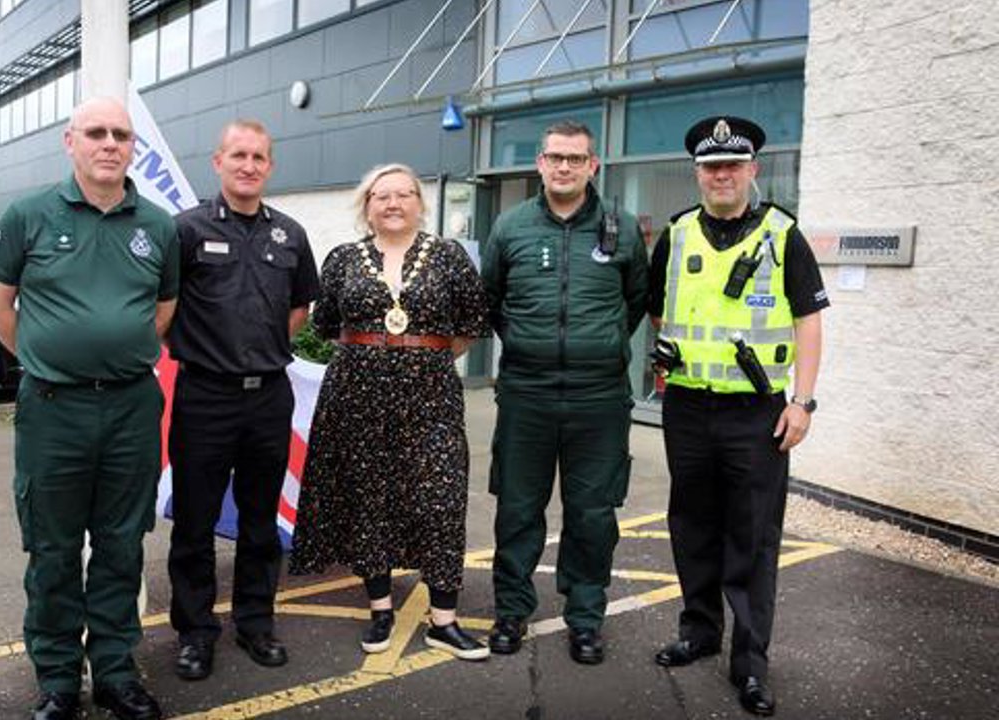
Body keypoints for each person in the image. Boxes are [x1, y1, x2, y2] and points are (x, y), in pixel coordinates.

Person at [0, 97, 178, 720]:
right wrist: (50, 359)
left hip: (131, 410)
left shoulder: (158, 225)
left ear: (132, 148)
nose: (110, 143)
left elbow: (163, 311)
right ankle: (58, 680)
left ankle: (116, 673)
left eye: (121, 134)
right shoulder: (27, 215)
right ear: (71, 141)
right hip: (53, 411)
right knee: (54, 550)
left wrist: (114, 349)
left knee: (122, 546)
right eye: (96, 132)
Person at [647, 115, 829, 717]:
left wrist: (801, 402)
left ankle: (750, 664)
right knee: (692, 526)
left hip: (758, 412)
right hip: (689, 408)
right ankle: (699, 633)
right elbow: (659, 310)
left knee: (751, 537)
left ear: (752, 170)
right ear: (698, 173)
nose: (721, 175)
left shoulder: (782, 234)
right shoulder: (675, 236)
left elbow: (808, 319)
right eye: (710, 166)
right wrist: (665, 363)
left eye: (732, 165)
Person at [289, 164, 492, 661]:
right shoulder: (343, 259)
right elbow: (330, 325)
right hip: (356, 397)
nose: (394, 203)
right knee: (369, 500)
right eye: (382, 196)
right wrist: (375, 355)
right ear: (367, 204)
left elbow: (470, 325)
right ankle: (380, 608)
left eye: (404, 194)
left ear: (421, 202)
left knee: (441, 501)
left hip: (432, 400)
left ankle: (443, 620)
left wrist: (421, 355)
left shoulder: (449, 257)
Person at [481, 120, 649, 665]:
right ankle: (510, 610)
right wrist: (532, 347)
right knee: (517, 509)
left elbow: (636, 302)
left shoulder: (621, 229)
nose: (564, 167)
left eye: (576, 158)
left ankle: (584, 617)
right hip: (526, 395)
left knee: (593, 513)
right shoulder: (510, 227)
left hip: (599, 399)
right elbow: (492, 301)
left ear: (593, 165)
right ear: (540, 163)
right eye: (555, 157)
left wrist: (593, 347)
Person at [165, 119, 319, 681]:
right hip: (204, 395)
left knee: (260, 520)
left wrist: (261, 345)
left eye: (259, 156)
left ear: (270, 166)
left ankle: (256, 624)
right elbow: (164, 306)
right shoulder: (184, 230)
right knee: (195, 520)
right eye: (238, 155)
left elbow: (299, 309)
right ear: (218, 161)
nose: (248, 165)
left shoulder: (291, 235)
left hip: (267, 399)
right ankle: (195, 632)